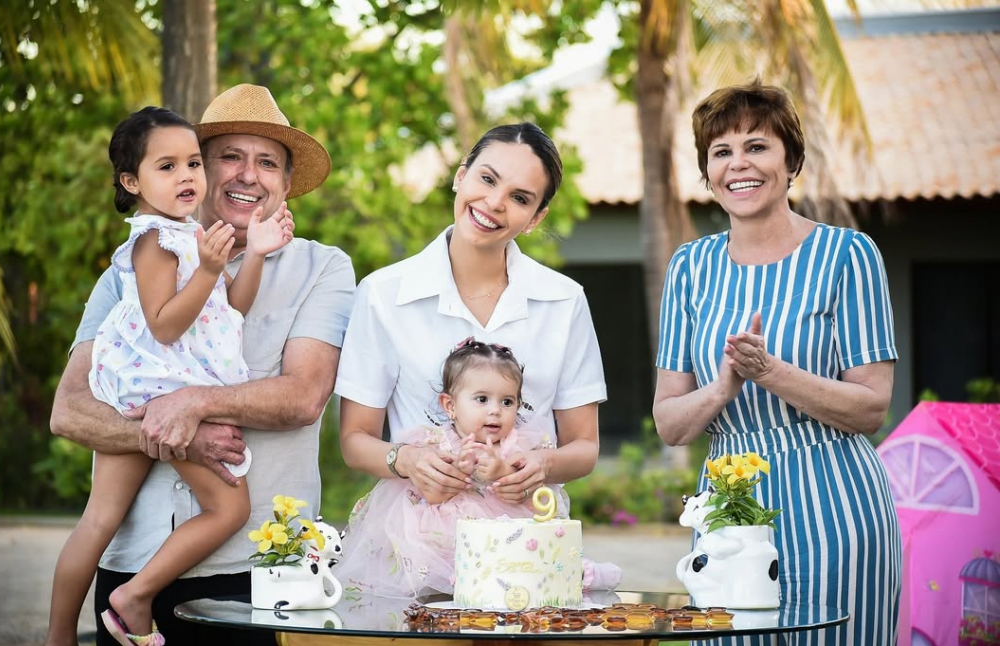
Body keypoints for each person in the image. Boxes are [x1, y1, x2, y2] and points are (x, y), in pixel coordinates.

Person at [49, 84, 355, 646]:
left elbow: (304, 397)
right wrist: (177, 434)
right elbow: (68, 412)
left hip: (261, 570)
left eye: (268, 163)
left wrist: (193, 405)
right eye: (229, 157)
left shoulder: (323, 268)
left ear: (287, 183)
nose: (248, 175)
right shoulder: (132, 266)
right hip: (134, 556)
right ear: (206, 172)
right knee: (98, 522)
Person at [652, 79, 900, 645]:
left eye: (757, 146)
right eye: (721, 151)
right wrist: (721, 389)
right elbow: (669, 423)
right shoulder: (689, 268)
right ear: (708, 172)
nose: (738, 164)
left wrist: (770, 372)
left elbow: (871, 409)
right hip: (726, 514)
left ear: (791, 161)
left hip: (837, 507)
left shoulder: (849, 255)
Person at [335, 122, 606, 520]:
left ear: (535, 218)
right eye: (487, 179)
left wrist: (541, 465)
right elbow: (354, 439)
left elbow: (585, 446)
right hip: (417, 531)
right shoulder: (382, 293)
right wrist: (407, 460)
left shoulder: (565, 301)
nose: (495, 202)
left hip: (528, 535)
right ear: (461, 176)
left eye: (519, 197)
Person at [335, 337, 621, 598]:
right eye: (482, 399)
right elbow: (430, 495)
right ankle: (455, 583)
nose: (495, 410)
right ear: (450, 405)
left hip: (506, 531)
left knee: (529, 565)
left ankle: (576, 574)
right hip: (441, 539)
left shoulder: (518, 446)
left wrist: (501, 472)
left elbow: (521, 491)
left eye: (507, 401)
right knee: (442, 572)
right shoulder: (433, 444)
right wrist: (457, 472)